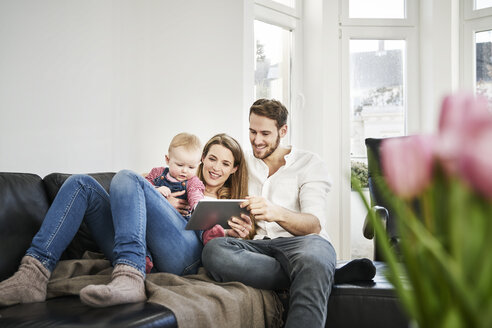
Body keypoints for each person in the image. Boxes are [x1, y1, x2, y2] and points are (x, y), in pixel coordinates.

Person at [0, 133, 253, 308]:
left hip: (184, 257)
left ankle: (131, 278)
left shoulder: (236, 204)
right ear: (202, 159)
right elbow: (134, 192)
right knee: (81, 184)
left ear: (234, 169)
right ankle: (32, 274)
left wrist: (238, 234)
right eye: (212, 158)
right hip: (142, 251)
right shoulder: (172, 178)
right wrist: (156, 199)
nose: (216, 167)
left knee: (127, 177)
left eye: (226, 163)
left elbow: (230, 252)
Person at [202, 99, 375, 328]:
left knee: (314, 256)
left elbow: (314, 225)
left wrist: (275, 212)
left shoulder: (309, 163)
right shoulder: (243, 162)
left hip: (303, 245)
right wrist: (160, 182)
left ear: (283, 131)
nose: (257, 140)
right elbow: (204, 169)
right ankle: (323, 274)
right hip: (258, 249)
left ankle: (315, 269)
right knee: (214, 251)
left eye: (265, 133)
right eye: (252, 131)